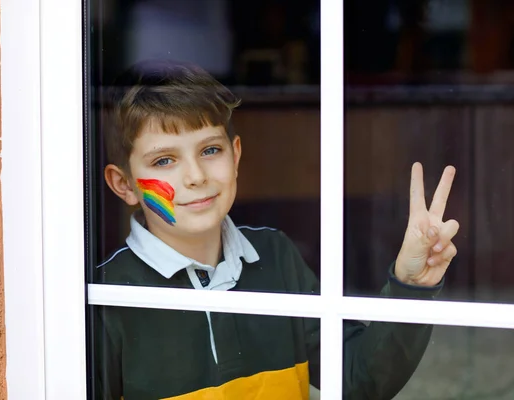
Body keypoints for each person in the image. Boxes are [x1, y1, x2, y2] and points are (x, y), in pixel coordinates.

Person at [93, 59, 460, 400]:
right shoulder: (104, 296)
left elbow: (358, 378)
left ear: (235, 155)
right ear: (124, 184)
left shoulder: (275, 255)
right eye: (164, 160)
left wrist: (412, 285)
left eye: (210, 151)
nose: (195, 176)